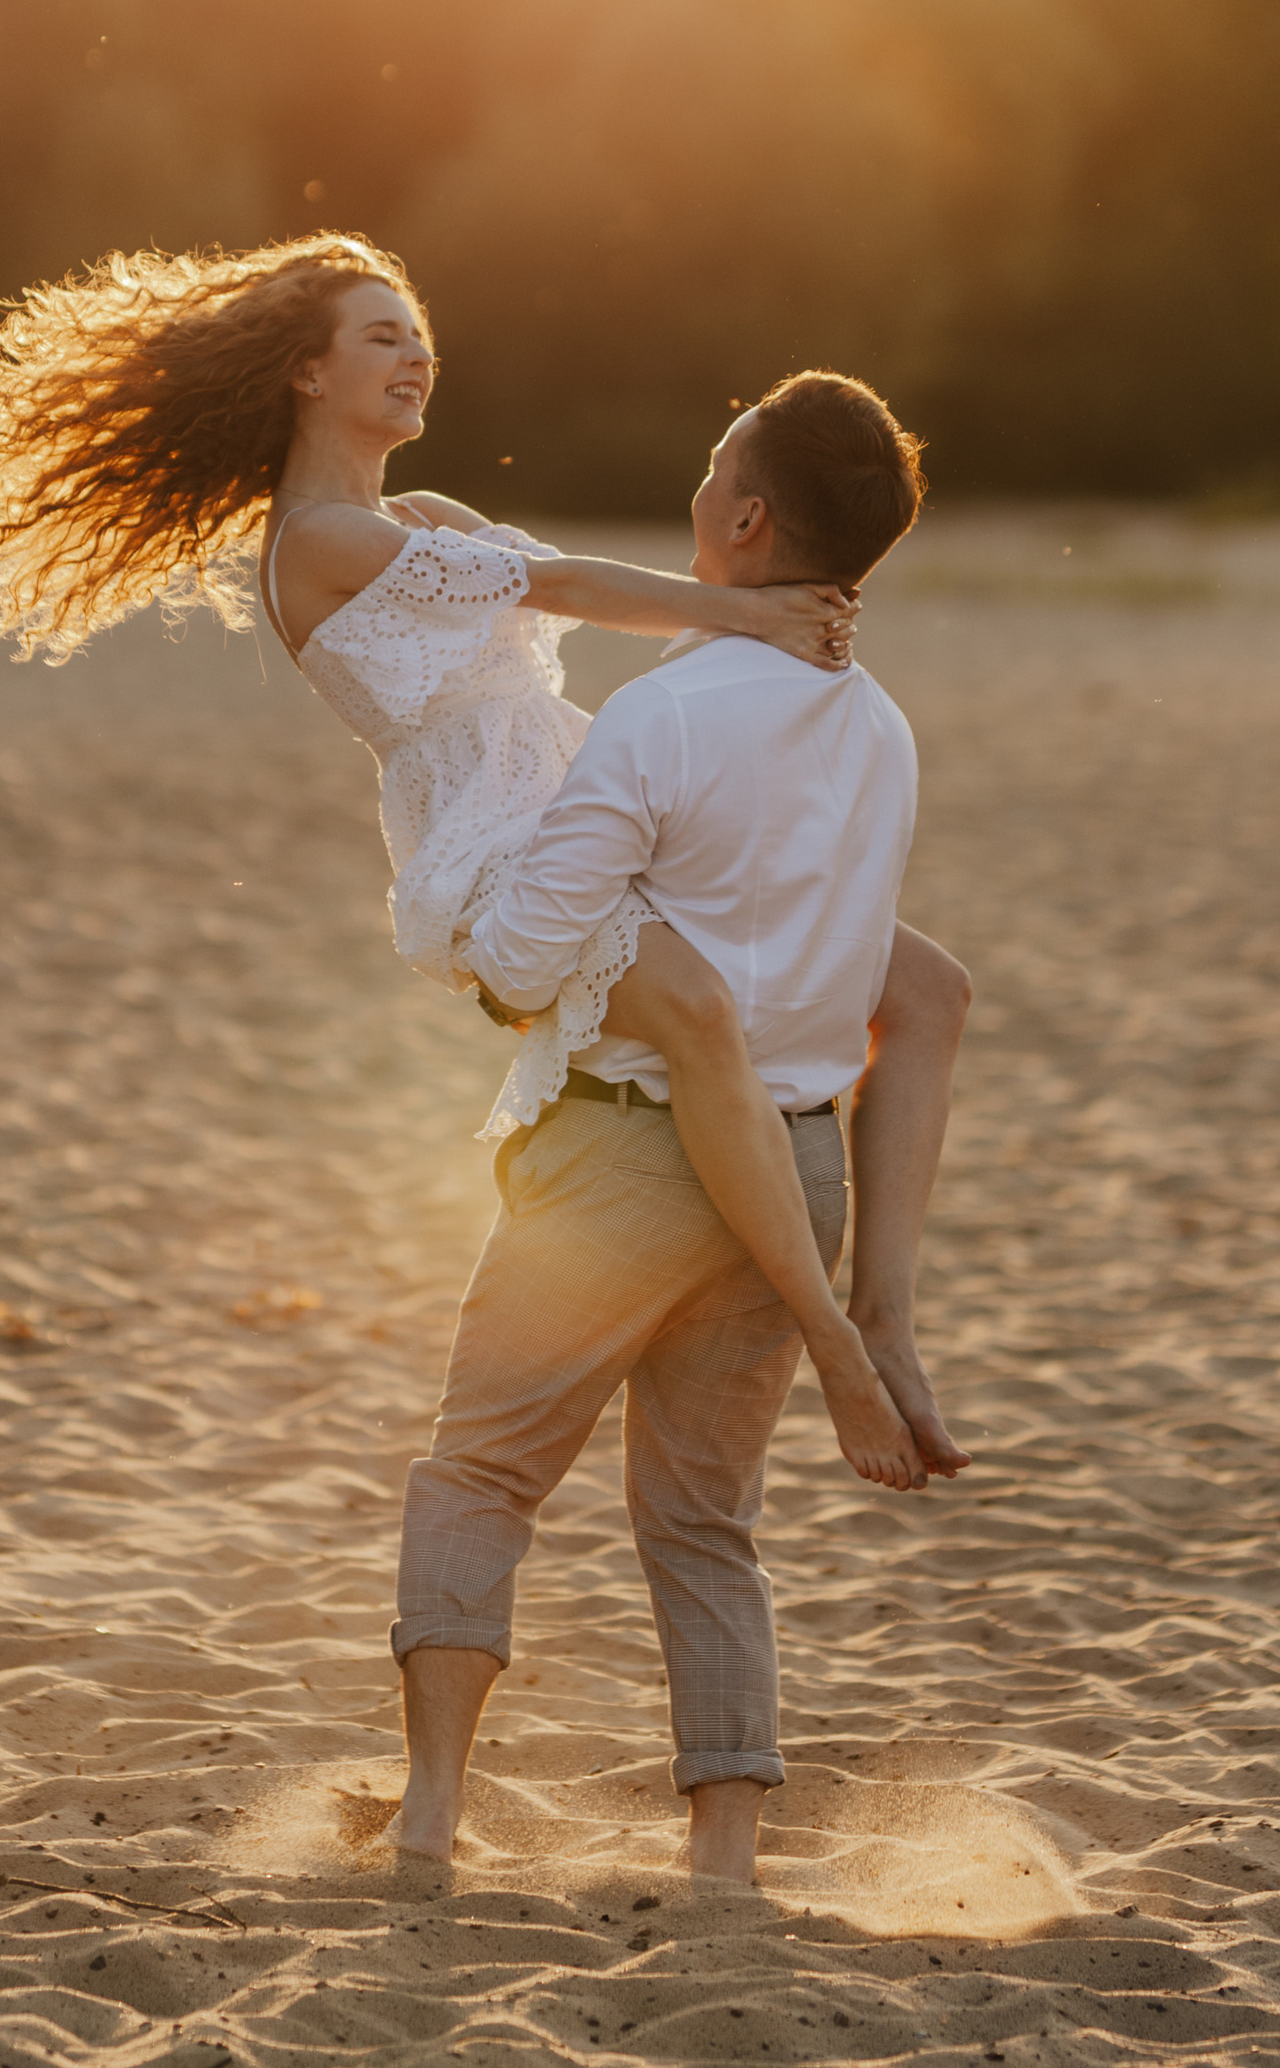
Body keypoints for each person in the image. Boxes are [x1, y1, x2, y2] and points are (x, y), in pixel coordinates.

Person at [0, 232, 957, 1488]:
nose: (416, 354)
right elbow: (561, 585)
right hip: (499, 841)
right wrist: (746, 611)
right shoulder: (314, 540)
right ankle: (833, 1343)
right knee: (700, 1012)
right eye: (382, 334)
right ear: (307, 372)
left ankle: (889, 1313)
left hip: (586, 792)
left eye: (419, 334)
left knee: (928, 988)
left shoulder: (416, 518)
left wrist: (765, 633)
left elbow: (555, 586)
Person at [388, 361, 967, 1883]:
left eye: (718, 466)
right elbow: (868, 969)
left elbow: (527, 958)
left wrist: (461, 884)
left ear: (747, 520)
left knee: (478, 1476)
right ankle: (722, 1858)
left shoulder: (658, 716)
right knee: (707, 1525)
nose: (699, 486)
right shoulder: (882, 728)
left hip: (626, 1161)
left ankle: (433, 1815)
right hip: (801, 1169)